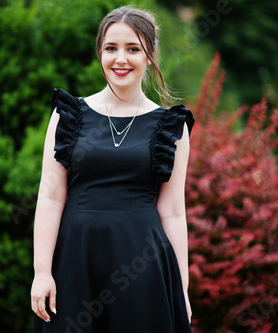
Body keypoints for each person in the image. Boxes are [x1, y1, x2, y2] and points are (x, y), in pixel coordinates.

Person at [31, 6, 194, 332]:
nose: (121, 59)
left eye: (133, 49)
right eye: (111, 48)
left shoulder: (170, 126)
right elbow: (50, 197)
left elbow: (173, 211)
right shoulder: (68, 116)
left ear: (150, 56)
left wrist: (182, 290)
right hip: (76, 261)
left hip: (143, 266)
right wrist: (42, 272)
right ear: (100, 53)